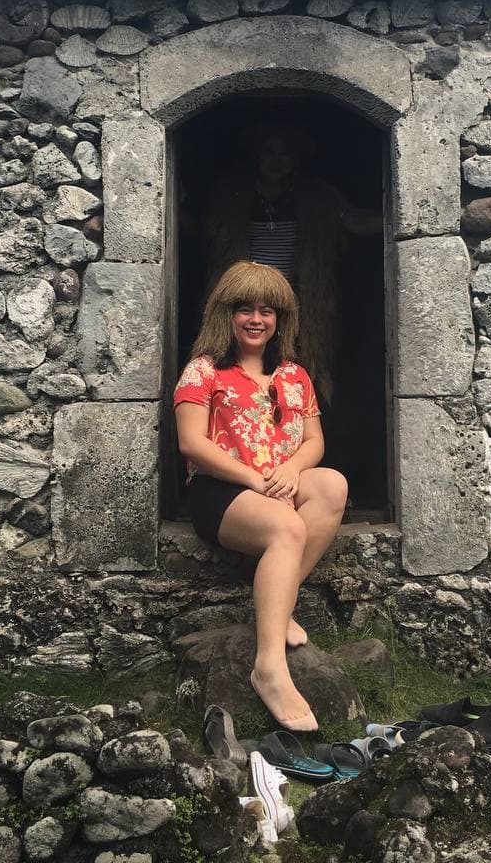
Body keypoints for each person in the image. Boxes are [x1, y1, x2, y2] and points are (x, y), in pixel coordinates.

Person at [174, 260, 349, 733]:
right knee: (287, 525)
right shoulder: (203, 371)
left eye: (267, 310)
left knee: (332, 485)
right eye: (244, 309)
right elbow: (191, 443)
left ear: (280, 319)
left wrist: (292, 468)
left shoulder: (294, 374)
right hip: (221, 491)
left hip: (277, 481)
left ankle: (280, 607)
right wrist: (253, 479)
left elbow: (314, 441)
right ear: (224, 314)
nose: (256, 319)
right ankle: (268, 666)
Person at [202, 121, 380, 403]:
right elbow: (203, 228)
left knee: (293, 358)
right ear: (257, 157)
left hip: (297, 299)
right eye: (269, 153)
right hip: (245, 296)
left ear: (295, 160)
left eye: (284, 155)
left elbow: (355, 222)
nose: (277, 162)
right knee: (243, 356)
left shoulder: (316, 197)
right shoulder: (232, 196)